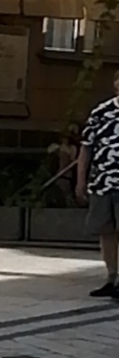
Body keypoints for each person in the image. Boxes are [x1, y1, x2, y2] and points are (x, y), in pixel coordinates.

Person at [75, 67, 119, 298]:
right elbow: (86, 148)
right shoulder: (101, 112)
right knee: (106, 231)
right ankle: (111, 277)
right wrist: (81, 180)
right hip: (102, 182)